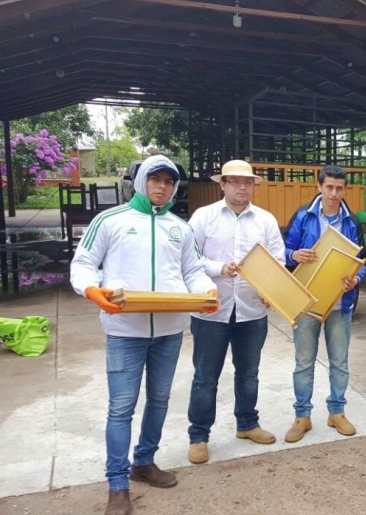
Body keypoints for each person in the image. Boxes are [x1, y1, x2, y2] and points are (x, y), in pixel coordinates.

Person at [70, 155, 217, 515]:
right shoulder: (111, 220)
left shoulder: (179, 228)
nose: (162, 186)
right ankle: (117, 484)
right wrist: (92, 290)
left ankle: (144, 461)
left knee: (160, 399)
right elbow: (83, 264)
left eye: (169, 181)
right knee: (121, 408)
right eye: (156, 179)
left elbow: (193, 271)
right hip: (125, 332)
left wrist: (207, 290)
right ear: (140, 182)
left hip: (169, 330)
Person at [186, 160, 285, 464]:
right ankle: (199, 435)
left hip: (252, 313)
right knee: (205, 377)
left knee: (248, 374)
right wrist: (219, 268)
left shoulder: (265, 221)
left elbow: (277, 261)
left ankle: (247, 424)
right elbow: (187, 260)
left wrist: (272, 290)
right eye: (236, 182)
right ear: (223, 185)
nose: (243, 188)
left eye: (248, 182)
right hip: (212, 312)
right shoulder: (204, 217)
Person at [283, 164, 366, 443]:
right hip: (306, 302)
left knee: (339, 362)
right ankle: (302, 416)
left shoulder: (352, 222)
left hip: (339, 304)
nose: (334, 193)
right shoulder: (302, 216)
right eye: (329, 187)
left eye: (339, 188)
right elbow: (283, 250)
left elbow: (362, 262)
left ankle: (337, 412)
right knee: (303, 362)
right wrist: (295, 255)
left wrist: (355, 280)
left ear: (345, 189)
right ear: (319, 186)